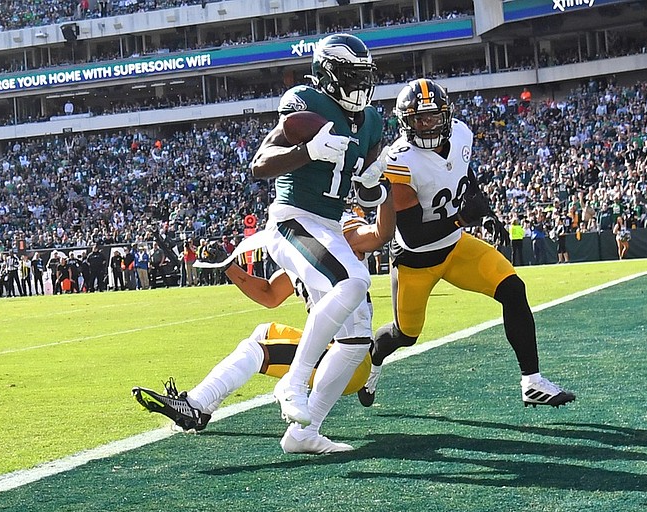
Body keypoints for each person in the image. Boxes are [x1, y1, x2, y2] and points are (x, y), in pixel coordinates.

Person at [365, 78, 575, 410]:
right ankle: (373, 360)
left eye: (433, 116)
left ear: (446, 116)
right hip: (415, 260)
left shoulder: (461, 133)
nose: (427, 124)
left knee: (513, 290)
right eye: (419, 119)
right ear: (406, 122)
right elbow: (414, 234)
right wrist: (463, 219)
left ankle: (532, 382)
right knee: (405, 334)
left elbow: (464, 172)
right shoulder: (400, 160)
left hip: (454, 246)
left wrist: (486, 212)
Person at [133, 201, 395, 454]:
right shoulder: (309, 243)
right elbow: (270, 294)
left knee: (257, 350)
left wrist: (386, 193)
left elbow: (375, 235)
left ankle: (195, 404)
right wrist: (228, 267)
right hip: (335, 348)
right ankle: (202, 409)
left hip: (349, 359)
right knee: (263, 332)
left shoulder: (339, 231)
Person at [249, 33, 390, 434]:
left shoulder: (373, 122)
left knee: (358, 337)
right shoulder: (307, 103)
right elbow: (260, 164)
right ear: (327, 74)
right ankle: (293, 381)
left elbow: (364, 191)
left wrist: (372, 184)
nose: (361, 85)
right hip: (294, 218)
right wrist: (306, 152)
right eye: (351, 75)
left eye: (365, 76)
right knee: (354, 281)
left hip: (329, 224)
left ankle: (304, 433)